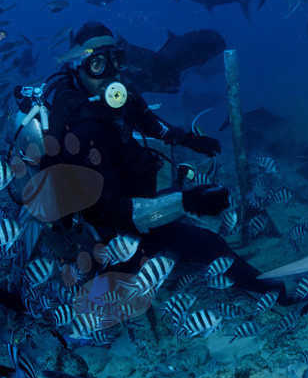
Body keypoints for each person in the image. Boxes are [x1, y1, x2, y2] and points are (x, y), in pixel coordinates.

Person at [15, 21, 285, 299]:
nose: (109, 74)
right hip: (98, 220)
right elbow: (115, 210)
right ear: (79, 68)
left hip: (117, 194)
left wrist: (191, 140)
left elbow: (154, 126)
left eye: (116, 60)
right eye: (97, 65)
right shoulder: (82, 129)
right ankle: (280, 293)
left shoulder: (121, 95)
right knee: (208, 243)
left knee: (172, 206)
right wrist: (188, 202)